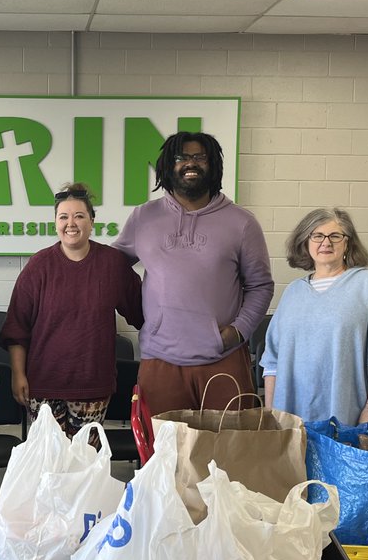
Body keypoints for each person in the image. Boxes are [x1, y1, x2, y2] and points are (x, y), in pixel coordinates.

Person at [113, 131, 274, 414]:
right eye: (181, 157)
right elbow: (110, 267)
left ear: (214, 165)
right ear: (167, 165)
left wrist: (238, 332)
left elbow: (260, 286)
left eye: (200, 157)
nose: (191, 163)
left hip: (223, 358)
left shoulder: (242, 223)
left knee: (227, 453)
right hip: (160, 360)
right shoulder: (143, 217)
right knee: (165, 454)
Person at [0, 183, 144, 441]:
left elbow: (141, 311)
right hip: (43, 384)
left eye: (79, 216)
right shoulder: (39, 265)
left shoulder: (112, 264)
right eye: (63, 216)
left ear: (92, 221)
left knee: (84, 465)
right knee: (47, 466)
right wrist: (18, 374)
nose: (71, 223)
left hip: (93, 385)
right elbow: (17, 328)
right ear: (55, 222)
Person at [260, 207, 368, 425]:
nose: (326, 242)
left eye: (335, 236)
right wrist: (270, 413)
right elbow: (272, 362)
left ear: (348, 243)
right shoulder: (293, 292)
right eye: (317, 236)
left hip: (350, 413)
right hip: (291, 417)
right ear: (306, 242)